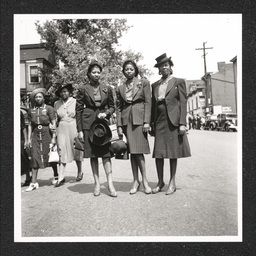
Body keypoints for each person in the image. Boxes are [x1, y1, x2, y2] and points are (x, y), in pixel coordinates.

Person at [150, 53, 191, 195]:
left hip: (173, 121)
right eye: (161, 66)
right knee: (159, 153)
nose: (164, 68)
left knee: (173, 153)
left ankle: (172, 182)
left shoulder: (178, 81)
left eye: (166, 65)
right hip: (159, 121)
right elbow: (153, 105)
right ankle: (160, 181)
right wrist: (151, 124)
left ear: (170, 67)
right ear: (159, 69)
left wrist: (182, 123)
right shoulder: (154, 85)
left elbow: (183, 103)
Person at [76, 60, 117, 197]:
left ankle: (110, 184)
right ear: (89, 74)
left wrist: (106, 113)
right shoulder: (82, 89)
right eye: (93, 72)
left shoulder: (107, 88)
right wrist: (80, 130)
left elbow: (112, 106)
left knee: (106, 154)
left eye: (98, 72)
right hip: (88, 124)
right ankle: (97, 184)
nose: (96, 74)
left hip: (102, 124)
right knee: (93, 155)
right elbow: (79, 110)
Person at [116, 60, 152, 194]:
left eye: (131, 69)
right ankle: (135, 181)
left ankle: (145, 181)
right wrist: (119, 125)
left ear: (135, 70)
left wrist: (147, 121)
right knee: (132, 152)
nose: (129, 71)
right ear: (123, 71)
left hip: (139, 121)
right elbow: (118, 108)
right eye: (126, 69)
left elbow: (148, 102)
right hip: (127, 122)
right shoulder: (120, 88)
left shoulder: (144, 83)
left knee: (139, 152)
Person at [26, 88, 57, 192]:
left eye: (40, 97)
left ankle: (56, 176)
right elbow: (30, 125)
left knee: (50, 155)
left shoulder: (49, 108)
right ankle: (33, 182)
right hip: (35, 135)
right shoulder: (31, 110)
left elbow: (53, 123)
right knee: (35, 157)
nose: (38, 98)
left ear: (44, 98)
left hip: (46, 133)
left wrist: (53, 138)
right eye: (36, 97)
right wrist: (29, 139)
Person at [54, 83, 84, 187]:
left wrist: (81, 130)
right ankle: (61, 177)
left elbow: (80, 116)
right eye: (62, 92)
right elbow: (56, 119)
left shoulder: (75, 101)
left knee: (76, 149)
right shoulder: (57, 103)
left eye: (65, 91)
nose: (63, 93)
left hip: (73, 126)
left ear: (69, 92)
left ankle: (80, 171)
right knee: (62, 150)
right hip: (62, 128)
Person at [21, 110, 31, 186]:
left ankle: (28, 177)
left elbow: (23, 127)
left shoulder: (19, 112)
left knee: (23, 158)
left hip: (20, 138)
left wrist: (26, 140)